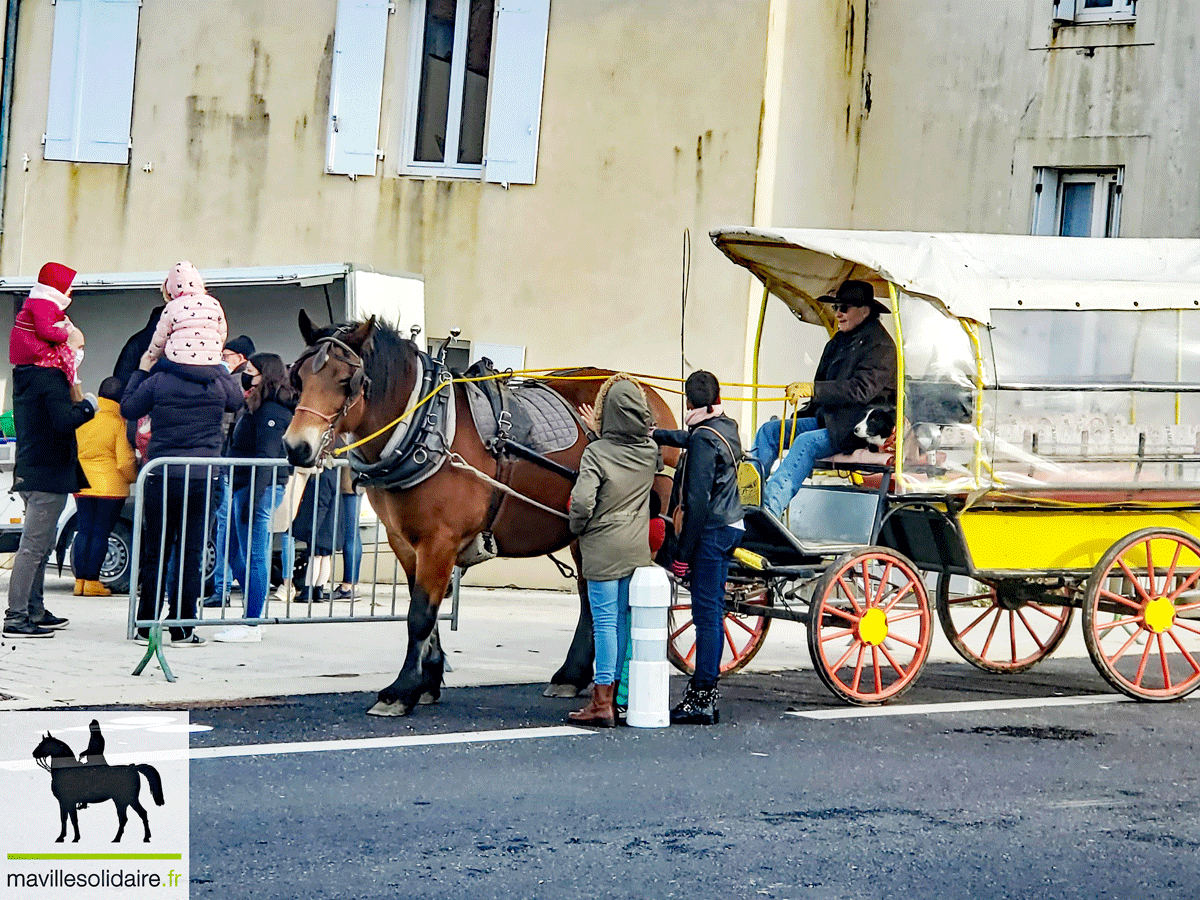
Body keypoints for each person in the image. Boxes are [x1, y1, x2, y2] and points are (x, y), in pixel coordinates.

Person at [121, 337, 243, 645]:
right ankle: (183, 626)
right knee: (192, 551)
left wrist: (141, 371)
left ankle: (146, 625)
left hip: (161, 473)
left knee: (156, 552)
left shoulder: (160, 380)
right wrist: (219, 365)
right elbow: (237, 401)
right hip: (203, 476)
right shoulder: (217, 381)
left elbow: (129, 407)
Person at [750, 280, 897, 517]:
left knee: (806, 442)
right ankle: (745, 495)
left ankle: (770, 507)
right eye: (836, 306)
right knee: (769, 431)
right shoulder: (839, 341)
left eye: (844, 307)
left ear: (865, 310)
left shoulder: (881, 346)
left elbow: (862, 390)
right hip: (830, 421)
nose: (838, 313)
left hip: (858, 429)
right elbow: (824, 385)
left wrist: (813, 389)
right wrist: (806, 404)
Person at [4, 264, 97, 639]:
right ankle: (16, 617)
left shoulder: (27, 377)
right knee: (33, 549)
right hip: (47, 472)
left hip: (35, 469)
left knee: (39, 548)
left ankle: (36, 609)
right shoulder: (48, 377)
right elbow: (62, 421)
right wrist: (87, 407)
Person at [566, 375, 660, 728]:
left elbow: (584, 501)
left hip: (603, 549)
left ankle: (601, 702)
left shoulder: (596, 454)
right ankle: (615, 696)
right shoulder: (650, 452)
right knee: (620, 622)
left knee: (604, 623)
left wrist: (576, 525)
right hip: (635, 551)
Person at [653, 371, 744, 725]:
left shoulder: (704, 441)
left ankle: (703, 697)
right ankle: (704, 692)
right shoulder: (725, 426)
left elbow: (697, 503)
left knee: (707, 616)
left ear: (687, 402)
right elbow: (692, 437)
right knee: (711, 613)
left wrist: (682, 556)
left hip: (711, 530)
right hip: (731, 523)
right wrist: (657, 434)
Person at [213, 353, 297, 643]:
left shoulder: (273, 411)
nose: (246, 374)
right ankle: (252, 609)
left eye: (251, 370)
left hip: (258, 487)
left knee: (254, 554)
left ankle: (252, 622)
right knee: (234, 552)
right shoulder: (254, 405)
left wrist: (254, 499)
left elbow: (266, 456)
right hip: (242, 484)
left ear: (265, 375)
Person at [205, 333, 257, 608]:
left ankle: (222, 587)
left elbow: (226, 424)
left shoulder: (234, 383)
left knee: (226, 529)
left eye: (227, 356)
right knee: (227, 529)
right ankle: (225, 586)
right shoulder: (238, 382)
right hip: (228, 464)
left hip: (226, 463)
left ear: (241, 359)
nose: (222, 360)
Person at [73, 376, 137, 597]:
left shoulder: (85, 418)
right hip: (110, 487)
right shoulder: (118, 423)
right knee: (101, 533)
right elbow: (124, 461)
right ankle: (92, 582)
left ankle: (79, 582)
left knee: (83, 531)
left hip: (83, 485)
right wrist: (134, 476)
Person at [9, 262, 86, 396]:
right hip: (36, 354)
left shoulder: (38, 303)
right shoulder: (45, 305)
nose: (71, 289)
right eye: (68, 285)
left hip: (28, 357)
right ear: (57, 287)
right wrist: (65, 332)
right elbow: (46, 331)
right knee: (64, 363)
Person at [142, 261, 227, 369]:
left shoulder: (172, 307)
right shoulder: (214, 304)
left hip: (180, 362)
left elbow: (161, 337)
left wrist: (152, 355)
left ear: (170, 288)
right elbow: (222, 334)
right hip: (209, 361)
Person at [332, 445, 363, 600]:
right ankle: (351, 583)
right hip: (355, 483)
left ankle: (348, 585)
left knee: (351, 534)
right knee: (353, 534)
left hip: (348, 484)